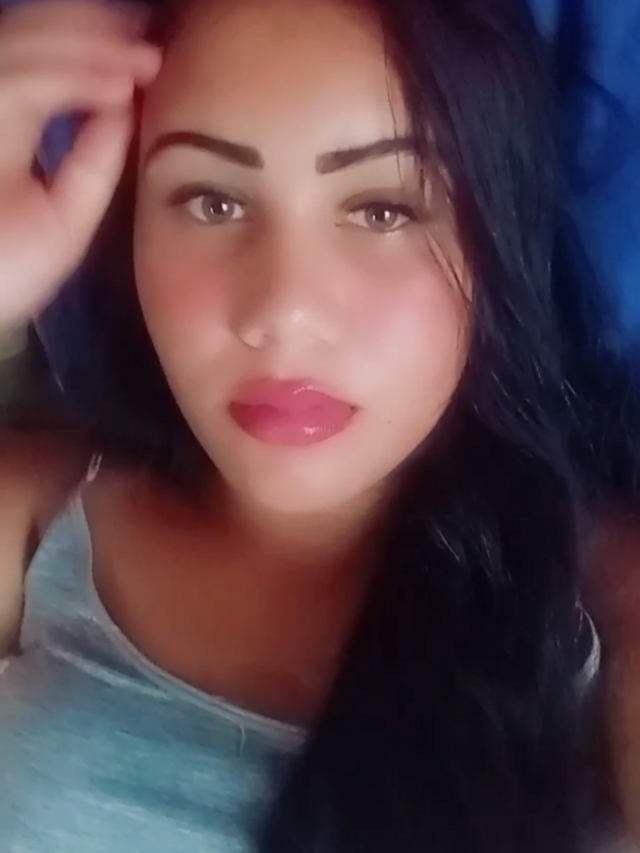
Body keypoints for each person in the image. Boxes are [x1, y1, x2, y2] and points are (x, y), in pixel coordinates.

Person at [0, 1, 611, 851]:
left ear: (495, 242)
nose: (282, 313)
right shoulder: (35, 516)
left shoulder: (602, 609)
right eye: (212, 201)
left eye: (383, 209)